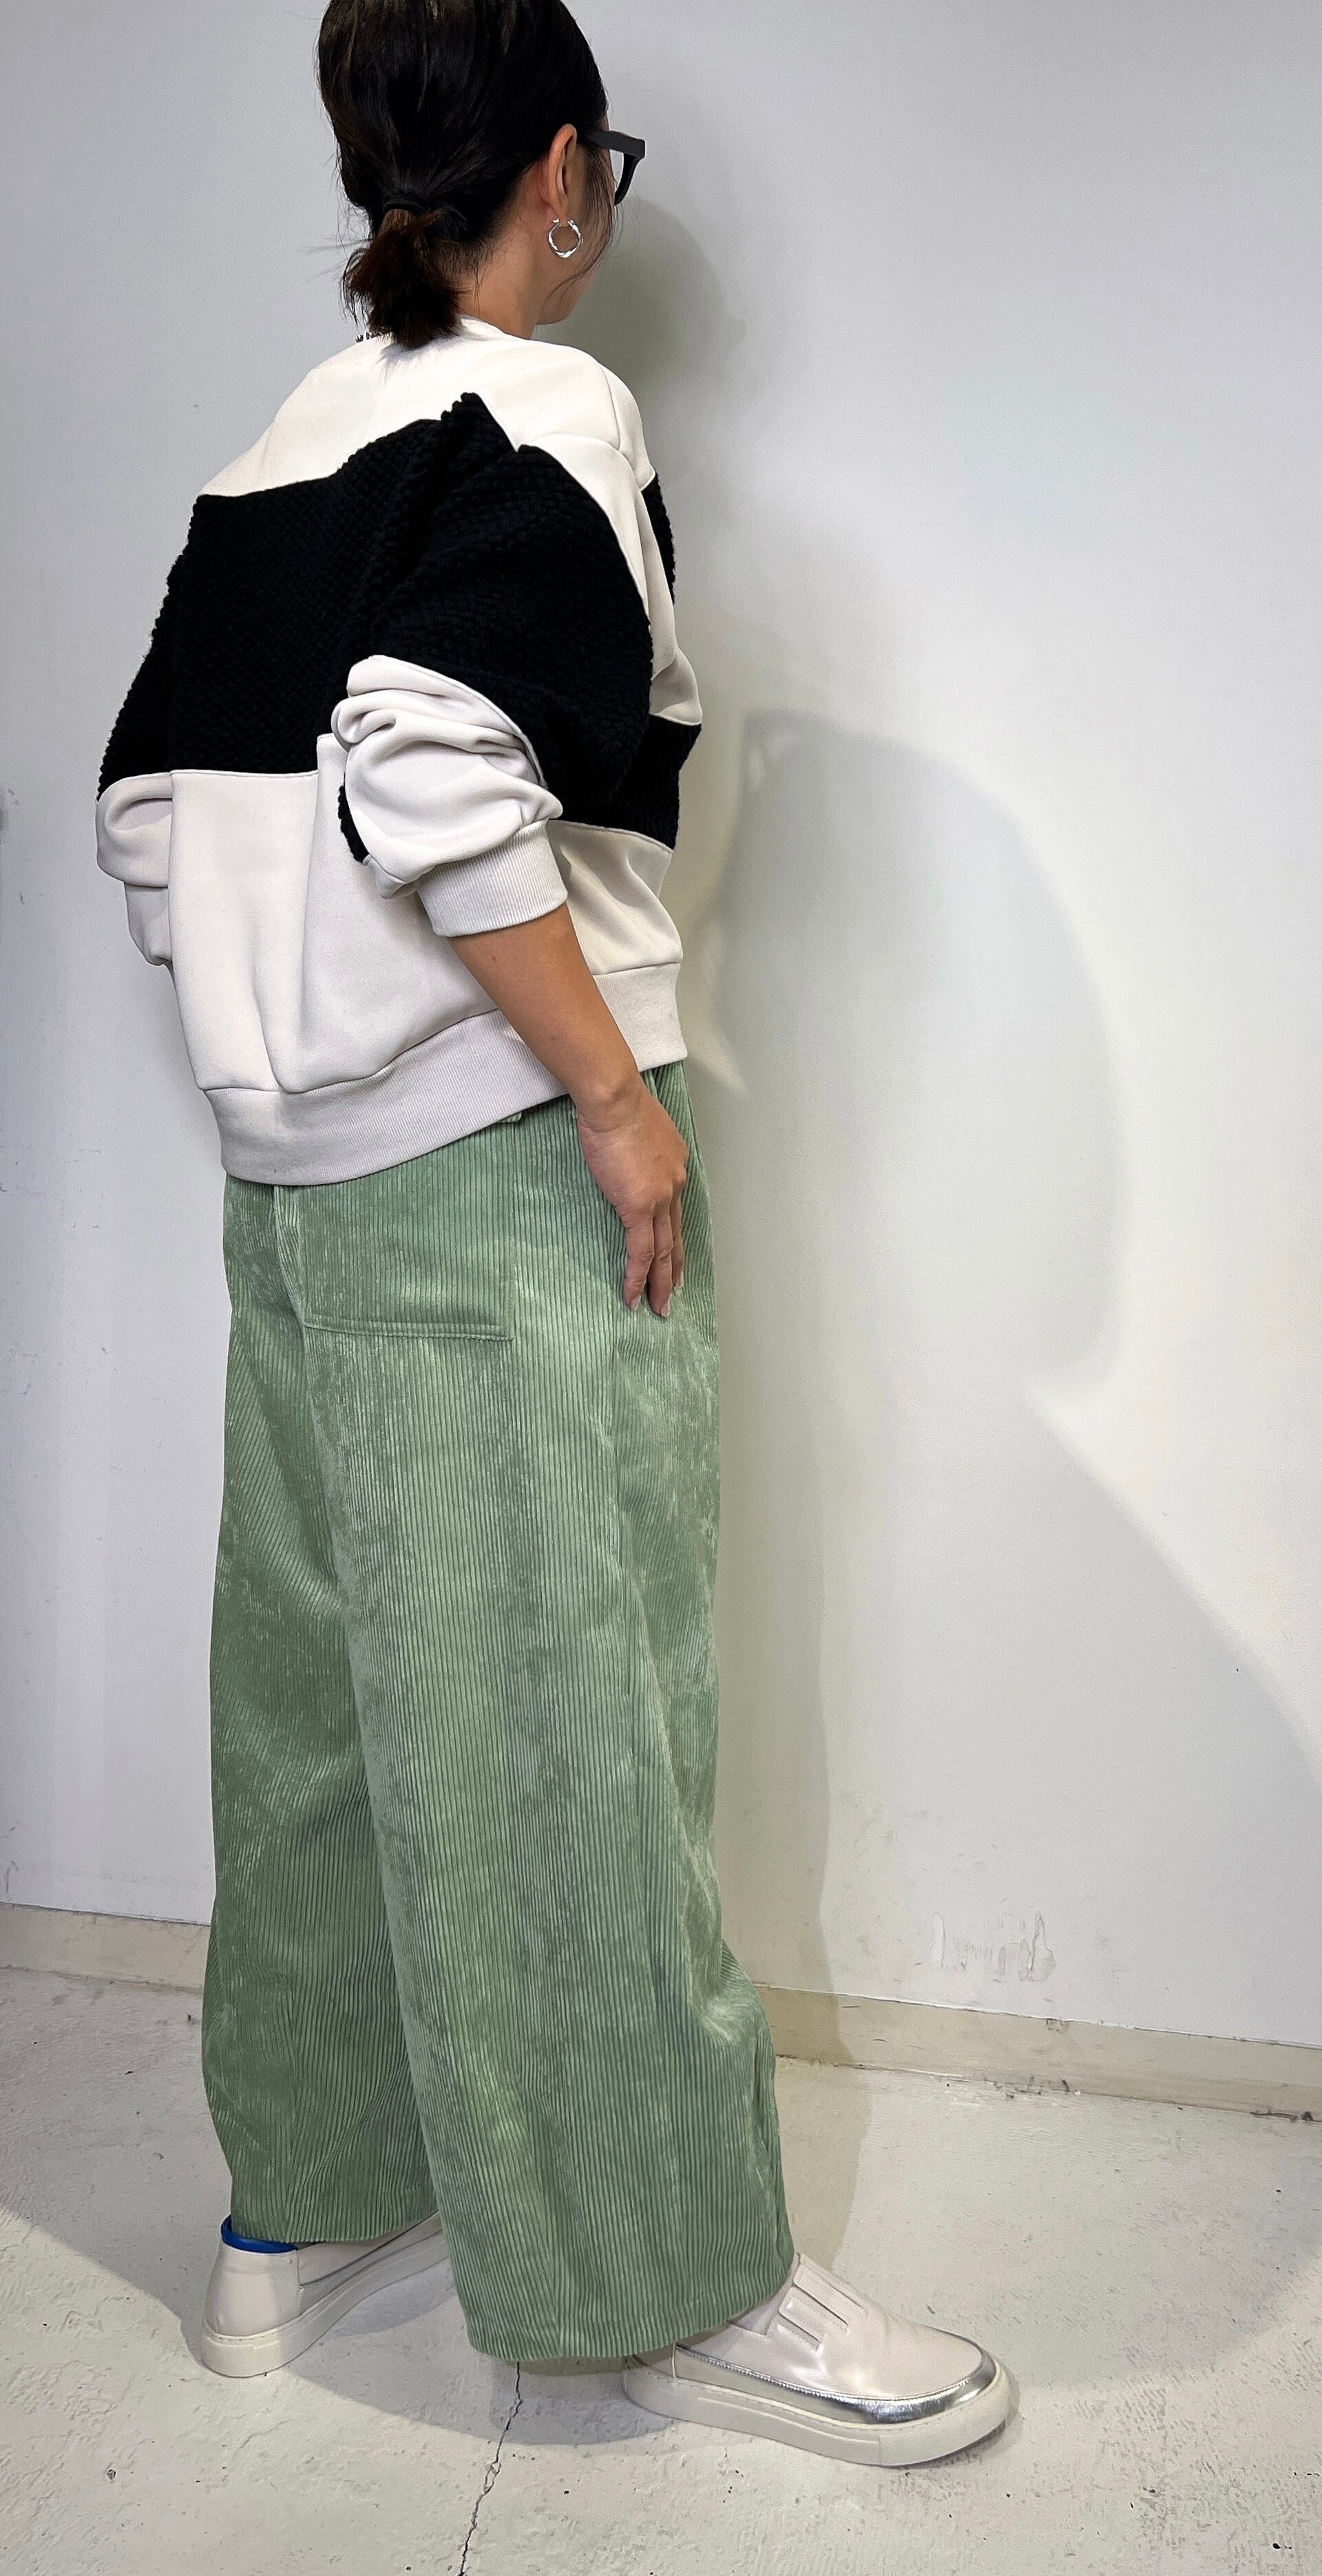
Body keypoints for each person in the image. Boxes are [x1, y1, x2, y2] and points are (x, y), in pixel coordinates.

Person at [94, 0, 1012, 2469]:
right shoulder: (546, 413)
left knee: (313, 1707)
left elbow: (151, 811)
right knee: (577, 1716)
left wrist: (286, 1053)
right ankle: (665, 2280)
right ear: (568, 171)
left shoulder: (278, 446)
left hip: (294, 1206)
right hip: (503, 1163)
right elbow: (425, 747)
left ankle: (300, 2218)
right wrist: (602, 1090)